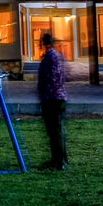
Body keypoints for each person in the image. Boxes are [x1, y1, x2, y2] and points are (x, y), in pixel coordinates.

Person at [37, 31, 69, 171]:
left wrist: (46, 92)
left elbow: (54, 77)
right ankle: (59, 159)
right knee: (56, 131)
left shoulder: (52, 57)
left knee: (55, 131)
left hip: (53, 99)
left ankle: (59, 161)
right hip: (55, 97)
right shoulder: (54, 56)